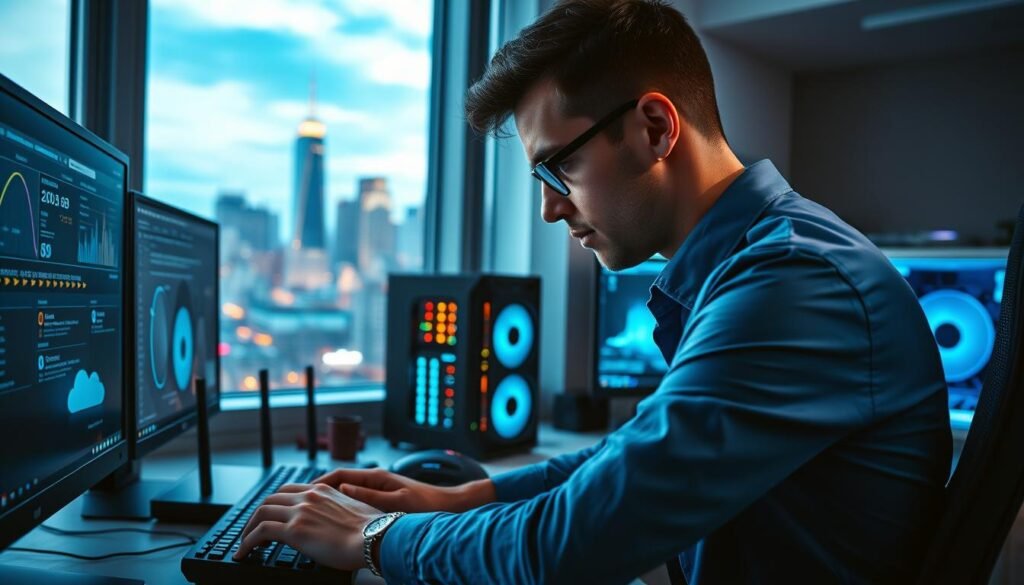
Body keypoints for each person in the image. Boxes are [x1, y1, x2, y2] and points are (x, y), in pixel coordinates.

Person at [234, 0, 953, 582]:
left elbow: (568, 547)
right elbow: (637, 456)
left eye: (559, 170)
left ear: (654, 128)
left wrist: (374, 537)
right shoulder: (754, 264)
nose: (550, 209)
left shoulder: (794, 284)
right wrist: (467, 495)